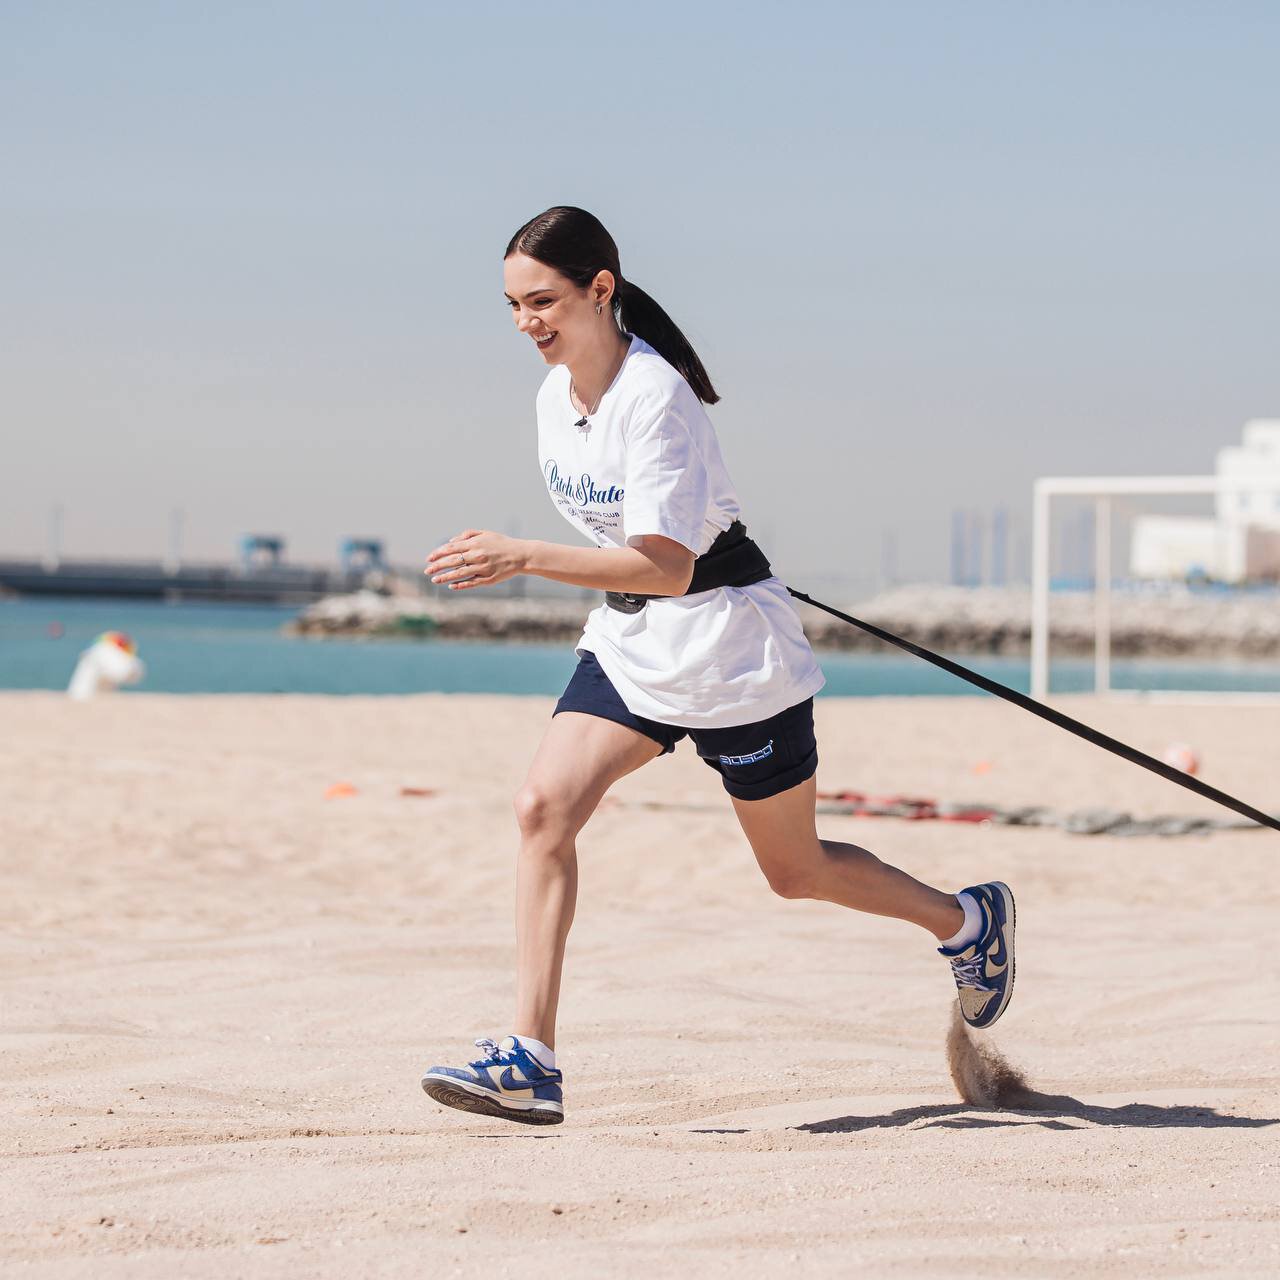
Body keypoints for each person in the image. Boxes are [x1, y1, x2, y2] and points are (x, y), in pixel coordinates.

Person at [420, 206, 1015, 1126]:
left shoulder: (657, 399)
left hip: (732, 651)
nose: (525, 322)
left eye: (542, 300)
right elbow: (639, 568)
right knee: (543, 807)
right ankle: (531, 1056)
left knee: (796, 871)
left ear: (600, 289)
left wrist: (522, 555)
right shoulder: (554, 397)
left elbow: (668, 563)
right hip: (633, 642)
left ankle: (967, 923)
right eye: (511, 305)